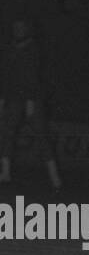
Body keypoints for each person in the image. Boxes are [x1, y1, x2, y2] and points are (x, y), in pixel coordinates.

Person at [0, 17, 63, 190]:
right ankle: (5, 172)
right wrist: (2, 98)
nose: (17, 30)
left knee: (41, 134)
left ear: (27, 29)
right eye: (15, 27)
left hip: (32, 98)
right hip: (14, 98)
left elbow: (33, 76)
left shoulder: (34, 48)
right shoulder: (10, 49)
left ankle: (55, 178)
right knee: (7, 132)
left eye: (21, 27)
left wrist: (30, 101)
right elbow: (6, 76)